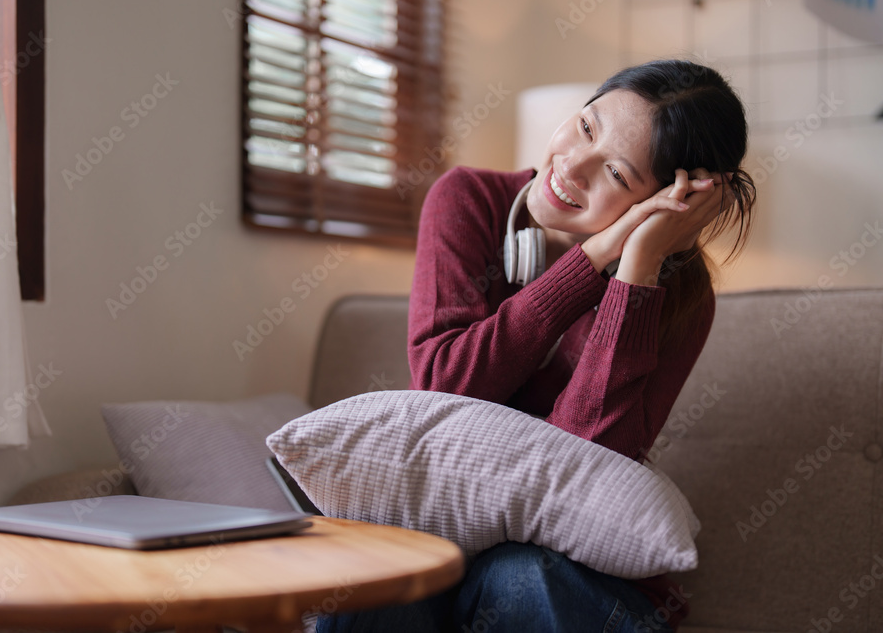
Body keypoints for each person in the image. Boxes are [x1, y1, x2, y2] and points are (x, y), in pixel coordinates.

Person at [317, 59, 757, 633]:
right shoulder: (468, 199)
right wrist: (589, 260)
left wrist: (634, 271)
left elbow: (590, 462)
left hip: (574, 577)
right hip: (443, 539)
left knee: (519, 574)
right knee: (387, 573)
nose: (572, 165)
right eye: (586, 126)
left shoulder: (678, 297)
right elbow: (445, 385)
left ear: (670, 203)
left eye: (617, 176)